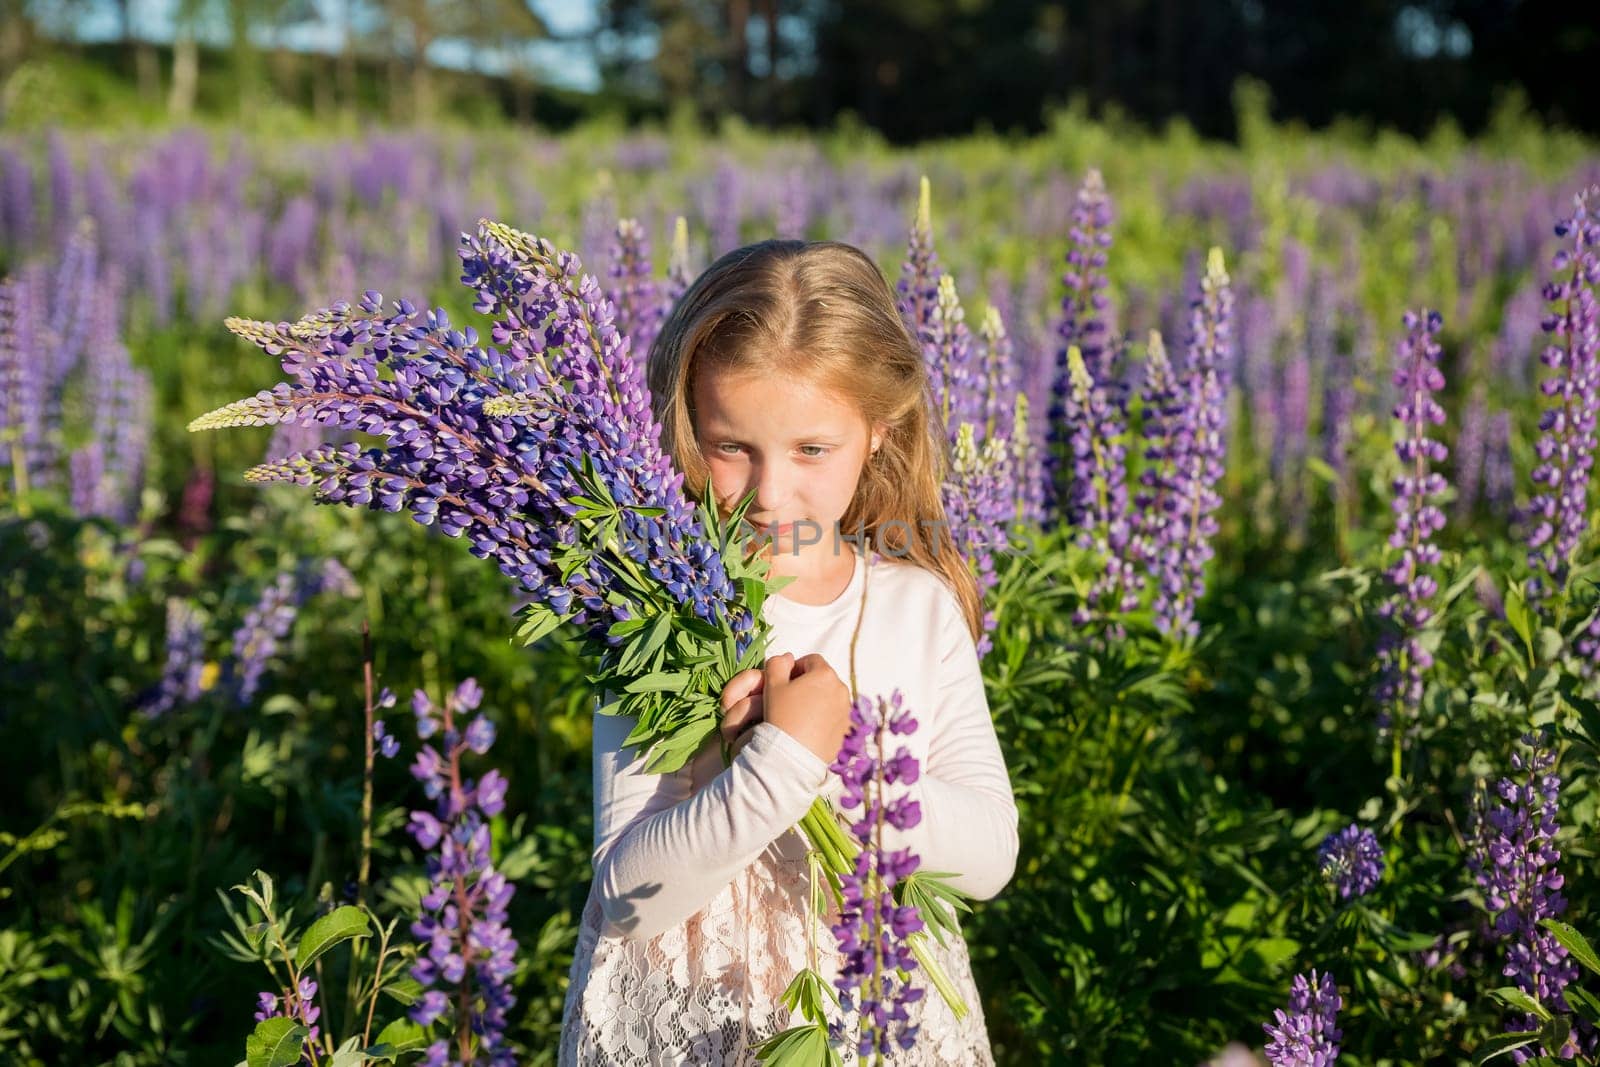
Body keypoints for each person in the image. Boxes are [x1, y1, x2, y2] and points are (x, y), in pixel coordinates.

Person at [558, 239, 1019, 1065]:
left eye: (812, 449)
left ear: (879, 430)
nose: (770, 494)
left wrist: (839, 761)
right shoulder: (658, 615)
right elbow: (624, 900)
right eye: (731, 446)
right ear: (687, 429)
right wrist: (775, 769)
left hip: (883, 1022)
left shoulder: (916, 609)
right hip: (693, 1028)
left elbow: (990, 853)